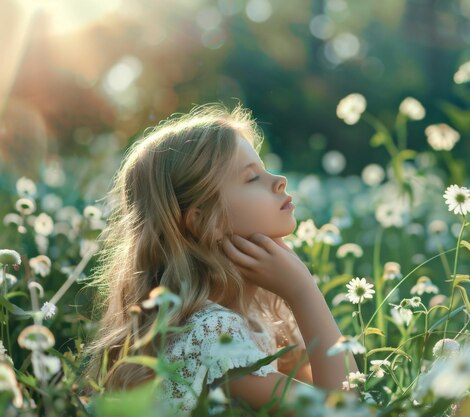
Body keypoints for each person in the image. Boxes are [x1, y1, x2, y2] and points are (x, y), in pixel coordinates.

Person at [80, 103, 360, 414]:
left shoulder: (244, 315)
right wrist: (304, 292)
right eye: (252, 178)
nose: (279, 179)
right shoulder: (212, 336)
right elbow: (344, 408)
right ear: (203, 222)